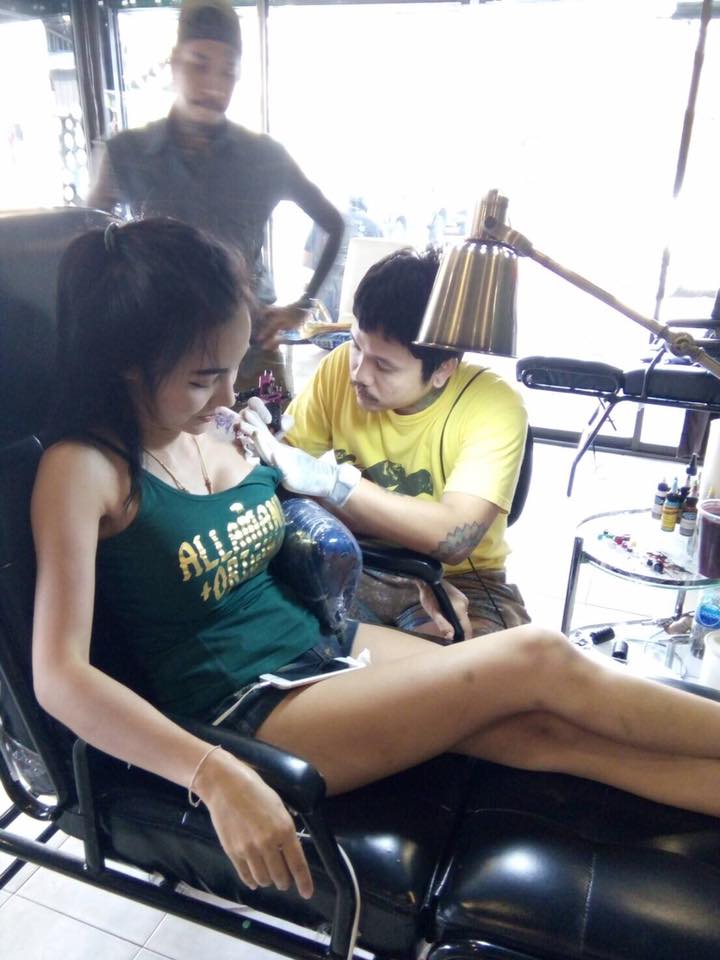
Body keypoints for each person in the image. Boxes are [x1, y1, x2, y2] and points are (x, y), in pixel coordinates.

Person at [32, 217, 720, 907]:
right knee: (537, 656)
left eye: (235, 368)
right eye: (202, 379)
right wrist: (211, 772)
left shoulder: (218, 429)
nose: (228, 395)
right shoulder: (83, 469)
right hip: (245, 708)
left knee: (544, 733)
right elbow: (59, 677)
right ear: (127, 362)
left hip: (324, 644)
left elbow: (312, 513)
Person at [277, 246, 530, 639]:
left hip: (462, 582)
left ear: (443, 369)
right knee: (279, 635)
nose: (359, 374)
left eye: (384, 365)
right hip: (359, 561)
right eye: (357, 345)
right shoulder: (337, 369)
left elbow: (452, 539)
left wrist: (331, 484)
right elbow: (279, 475)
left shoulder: (493, 405)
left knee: (469, 666)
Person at [87, 0, 344, 354]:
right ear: (175, 62)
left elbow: (334, 224)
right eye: (199, 64)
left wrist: (302, 306)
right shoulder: (126, 153)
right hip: (163, 351)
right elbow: (88, 246)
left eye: (227, 71)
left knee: (268, 395)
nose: (212, 87)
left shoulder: (266, 157)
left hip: (251, 351)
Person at [303, 196, 383, 321]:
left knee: (324, 328)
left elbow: (306, 260)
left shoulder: (326, 217)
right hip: (358, 300)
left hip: (324, 293)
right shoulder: (375, 228)